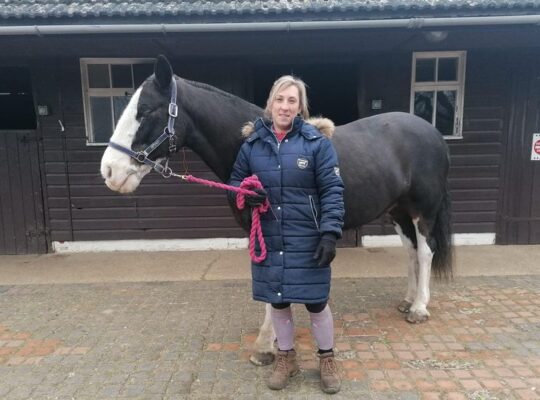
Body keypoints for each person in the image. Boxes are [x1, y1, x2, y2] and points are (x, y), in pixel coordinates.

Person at [228, 75, 345, 394]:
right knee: (278, 302)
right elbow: (236, 179)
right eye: (280, 99)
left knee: (317, 302)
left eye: (292, 100)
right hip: (270, 236)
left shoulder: (317, 144)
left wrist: (330, 234)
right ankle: (286, 357)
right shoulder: (252, 145)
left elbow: (333, 189)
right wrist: (244, 193)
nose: (285, 106)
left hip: (306, 237)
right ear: (270, 103)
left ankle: (327, 358)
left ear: (300, 107)